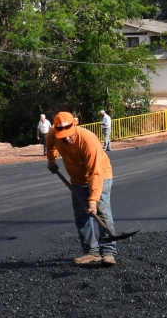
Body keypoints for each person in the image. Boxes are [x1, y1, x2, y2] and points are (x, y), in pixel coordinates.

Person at [47, 111, 118, 267]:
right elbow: (49, 143)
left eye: (69, 134)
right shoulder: (53, 133)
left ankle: (108, 252)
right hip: (77, 180)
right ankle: (91, 252)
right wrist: (51, 160)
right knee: (81, 217)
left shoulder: (88, 140)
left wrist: (92, 201)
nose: (66, 138)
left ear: (75, 124)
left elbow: (95, 173)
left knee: (101, 212)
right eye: (62, 135)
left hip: (101, 176)